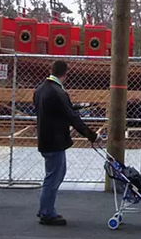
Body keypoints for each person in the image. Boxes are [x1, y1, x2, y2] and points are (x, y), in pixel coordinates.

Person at [34, 60, 99, 225]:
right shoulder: (58, 92)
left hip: (44, 137)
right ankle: (47, 212)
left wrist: (72, 109)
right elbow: (71, 116)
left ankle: (45, 208)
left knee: (53, 175)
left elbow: (61, 110)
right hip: (55, 140)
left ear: (51, 70)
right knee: (54, 177)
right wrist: (91, 135)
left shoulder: (40, 90)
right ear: (66, 74)